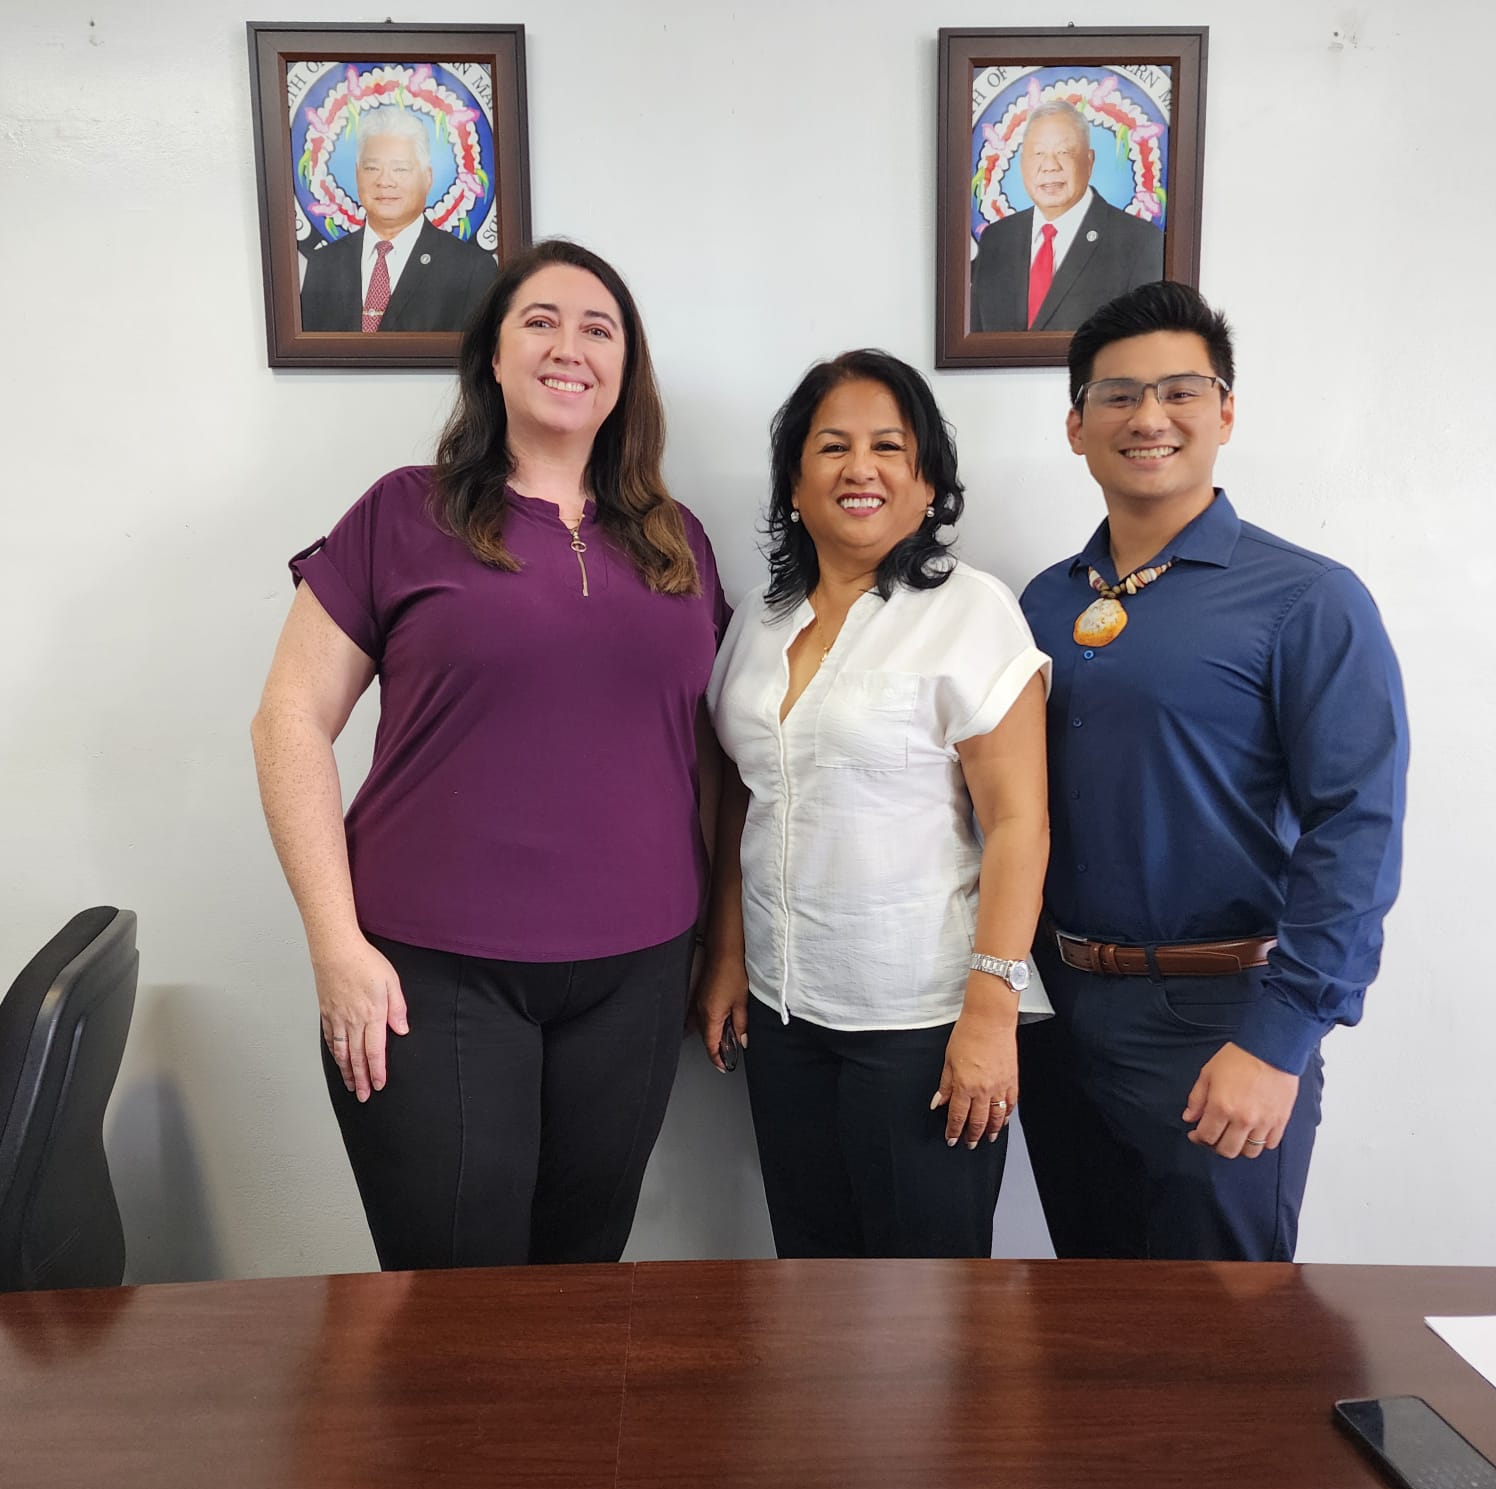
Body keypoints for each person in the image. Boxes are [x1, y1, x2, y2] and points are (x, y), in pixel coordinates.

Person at [252, 239, 729, 1269]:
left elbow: (708, 756)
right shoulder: (401, 511)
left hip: (637, 973)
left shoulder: (677, 538)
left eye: (598, 327)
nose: (570, 346)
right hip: (428, 974)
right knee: (454, 1292)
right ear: (494, 360)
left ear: (625, 370)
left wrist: (714, 945)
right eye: (540, 322)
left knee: (583, 1276)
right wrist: (335, 945)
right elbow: (288, 717)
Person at [1017, 281, 1408, 1261]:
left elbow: (1354, 824)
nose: (1147, 417)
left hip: (1220, 1019)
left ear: (1223, 411)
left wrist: (1280, 1038)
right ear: (1075, 425)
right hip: (1058, 1011)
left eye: (1178, 391)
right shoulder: (1037, 602)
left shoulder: (1307, 599)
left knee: (1224, 1343)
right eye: (1116, 395)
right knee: (1091, 1318)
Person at [697, 350, 1051, 1259]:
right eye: (832, 447)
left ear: (928, 479)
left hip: (921, 1021)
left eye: (890, 446)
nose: (862, 468)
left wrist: (990, 1014)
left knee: (925, 1314)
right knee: (811, 1285)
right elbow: (745, 795)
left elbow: (1018, 822)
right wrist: (729, 954)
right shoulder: (759, 620)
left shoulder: (974, 612)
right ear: (794, 482)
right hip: (783, 1015)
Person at [971, 101, 1163, 334]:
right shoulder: (997, 238)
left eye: (1064, 152)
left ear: (1089, 161)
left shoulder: (1140, 242)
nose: (1049, 166)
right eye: (1038, 153)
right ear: (1022, 164)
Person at [299, 109, 498, 333]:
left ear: (428, 177)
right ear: (357, 175)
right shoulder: (324, 264)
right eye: (372, 168)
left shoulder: (471, 268)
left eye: (400, 169)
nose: (385, 181)